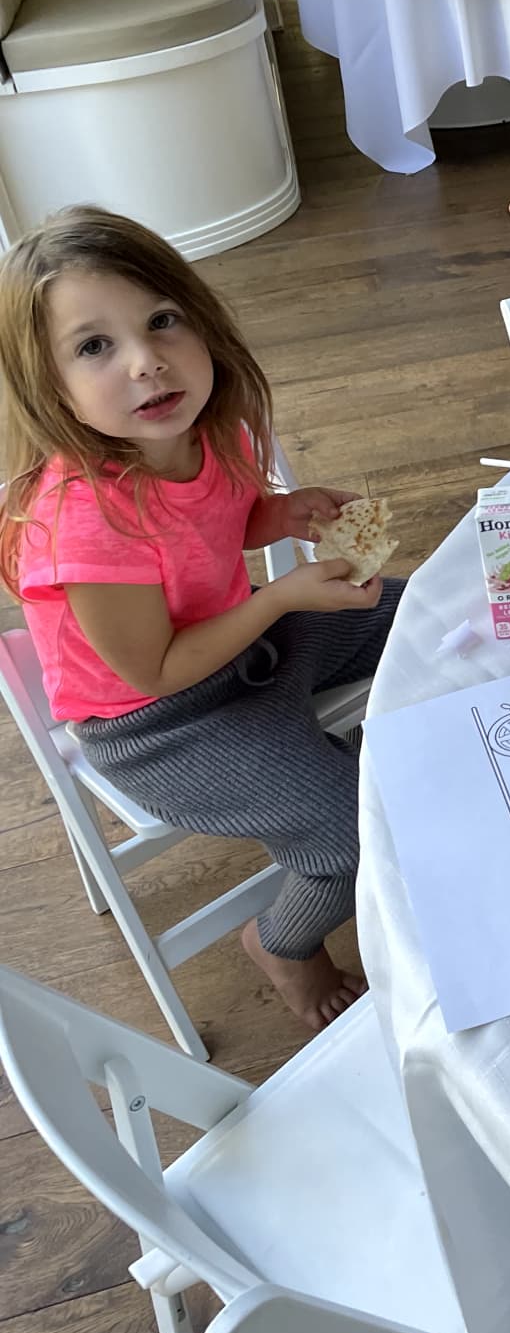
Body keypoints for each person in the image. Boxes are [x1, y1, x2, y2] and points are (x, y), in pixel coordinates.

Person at [0, 207, 398, 1031]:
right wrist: (281, 597)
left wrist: (283, 514)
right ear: (50, 384)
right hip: (160, 721)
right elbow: (154, 670)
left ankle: (376, 756)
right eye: (94, 346)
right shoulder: (86, 521)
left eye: (160, 321)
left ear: (200, 318)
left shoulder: (206, 431)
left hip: (246, 645)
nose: (147, 362)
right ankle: (283, 943)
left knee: (416, 613)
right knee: (348, 830)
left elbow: (220, 524)